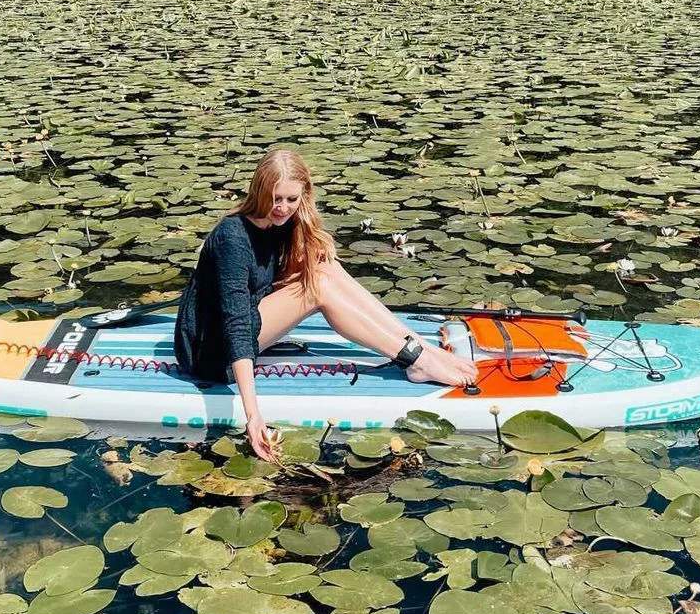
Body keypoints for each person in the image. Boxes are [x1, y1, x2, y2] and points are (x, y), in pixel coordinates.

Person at [174, 147, 478, 461]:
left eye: (292, 199)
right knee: (317, 287)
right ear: (260, 191)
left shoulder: (282, 224)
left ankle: (420, 350)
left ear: (303, 194)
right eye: (275, 199)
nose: (283, 208)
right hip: (211, 351)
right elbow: (236, 325)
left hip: (246, 321)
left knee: (325, 267)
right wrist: (253, 416)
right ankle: (415, 360)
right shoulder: (232, 237)